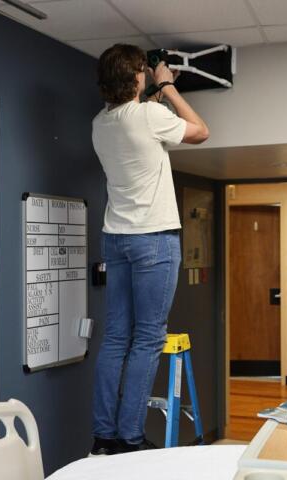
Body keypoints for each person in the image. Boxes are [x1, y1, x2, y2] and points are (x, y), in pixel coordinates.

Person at [89, 44, 209, 456]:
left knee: (116, 338)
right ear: (138, 77)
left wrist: (150, 98)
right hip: (154, 239)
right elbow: (200, 130)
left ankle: (104, 437)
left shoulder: (99, 124)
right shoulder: (151, 114)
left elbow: (135, 121)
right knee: (147, 339)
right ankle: (130, 438)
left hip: (116, 238)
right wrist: (169, 87)